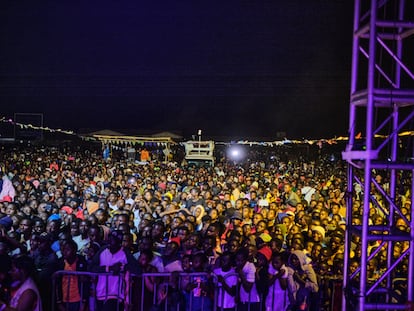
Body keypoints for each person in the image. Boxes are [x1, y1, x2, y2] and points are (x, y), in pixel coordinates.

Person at [89, 230, 138, 311]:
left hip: (116, 293)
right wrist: (109, 268)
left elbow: (137, 269)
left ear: (119, 242)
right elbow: (91, 268)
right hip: (101, 291)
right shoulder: (103, 250)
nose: (110, 241)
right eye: (110, 238)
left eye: (113, 240)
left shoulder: (125, 252)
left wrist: (123, 267)